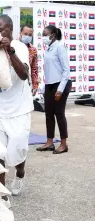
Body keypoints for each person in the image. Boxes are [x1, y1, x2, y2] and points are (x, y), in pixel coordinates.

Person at [0, 15, 34, 196]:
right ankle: (0, 194)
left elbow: (23, 74)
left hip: (19, 110)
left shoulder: (21, 48)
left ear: (10, 30)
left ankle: (20, 174)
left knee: (17, 151)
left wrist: (10, 51)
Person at [36, 25, 72, 154]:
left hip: (61, 84)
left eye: (45, 34)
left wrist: (60, 89)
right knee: (48, 114)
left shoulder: (59, 47)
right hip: (50, 84)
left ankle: (63, 144)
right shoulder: (49, 48)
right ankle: (49, 142)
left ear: (53, 35)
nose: (43, 37)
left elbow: (66, 70)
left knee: (59, 114)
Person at [19, 25, 39, 96]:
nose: (27, 36)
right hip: (14, 82)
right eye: (25, 34)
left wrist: (35, 85)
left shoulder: (33, 50)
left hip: (26, 82)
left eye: (30, 35)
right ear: (20, 33)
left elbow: (34, 68)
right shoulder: (13, 46)